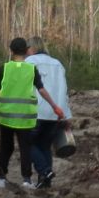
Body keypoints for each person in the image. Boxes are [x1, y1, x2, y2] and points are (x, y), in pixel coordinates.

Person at [0, 37, 65, 188]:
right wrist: (55, 106)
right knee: (25, 147)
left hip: (6, 116)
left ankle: (1, 177)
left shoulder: (4, 68)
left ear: (11, 51)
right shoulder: (31, 69)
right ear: (26, 50)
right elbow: (42, 90)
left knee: (6, 146)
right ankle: (26, 180)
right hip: (25, 117)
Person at [25, 36, 71, 189]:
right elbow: (64, 90)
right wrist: (66, 114)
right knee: (44, 146)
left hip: (35, 110)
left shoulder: (29, 63)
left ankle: (45, 172)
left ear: (31, 48)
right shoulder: (58, 64)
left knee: (27, 143)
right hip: (54, 112)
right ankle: (46, 183)